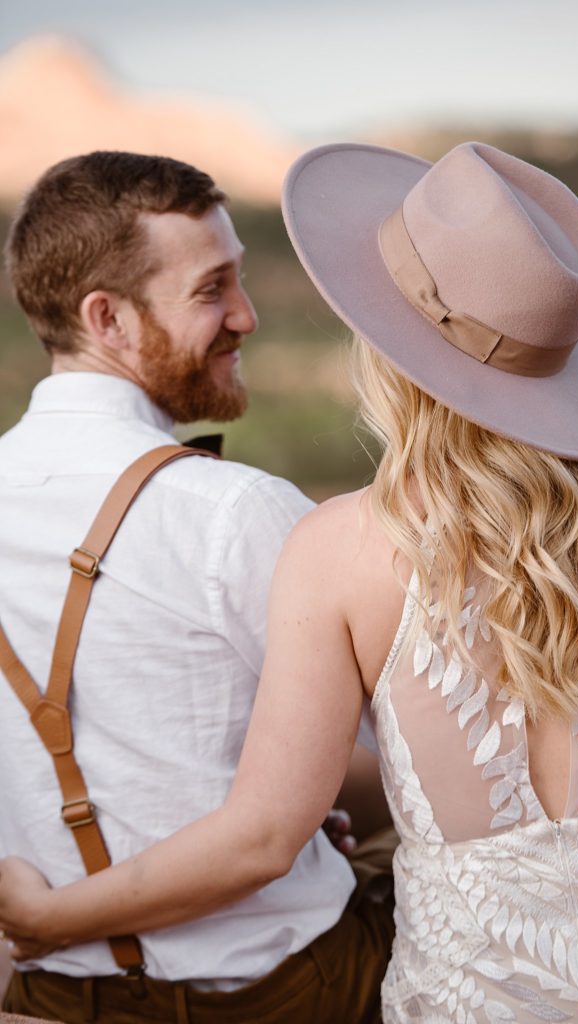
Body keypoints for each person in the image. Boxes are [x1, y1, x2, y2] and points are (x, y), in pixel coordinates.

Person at [1, 141, 578, 1023]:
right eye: (214, 289)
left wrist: (46, 914)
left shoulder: (341, 548)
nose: (247, 316)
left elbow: (277, 820)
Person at [0, 151, 395, 1024]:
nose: (246, 317)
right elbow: (419, 748)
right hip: (285, 993)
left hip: (52, 991)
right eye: (212, 289)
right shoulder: (235, 511)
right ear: (107, 317)